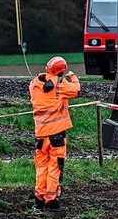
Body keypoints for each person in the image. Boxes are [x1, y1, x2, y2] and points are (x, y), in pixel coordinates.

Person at [29, 56, 80, 210]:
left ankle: (39, 197)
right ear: (62, 71)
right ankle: (51, 200)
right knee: (55, 166)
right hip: (56, 135)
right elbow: (76, 90)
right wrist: (73, 77)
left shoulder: (34, 84)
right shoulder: (60, 84)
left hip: (40, 135)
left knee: (41, 166)